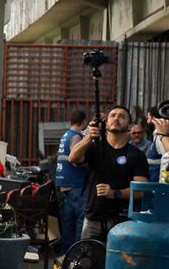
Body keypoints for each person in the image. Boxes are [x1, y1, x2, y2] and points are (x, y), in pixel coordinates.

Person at [69, 105, 149, 241]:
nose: (116, 118)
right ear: (106, 123)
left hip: (122, 221)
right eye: (112, 116)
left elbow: (141, 189)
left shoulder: (137, 155)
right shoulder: (94, 147)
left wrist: (115, 193)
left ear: (129, 126)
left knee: (118, 261)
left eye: (121, 116)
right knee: (88, 260)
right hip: (93, 219)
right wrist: (89, 137)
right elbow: (73, 158)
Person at [55, 108, 88, 259]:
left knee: (68, 221)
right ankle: (76, 255)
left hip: (65, 182)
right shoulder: (76, 137)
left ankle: (65, 254)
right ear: (84, 122)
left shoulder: (65, 135)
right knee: (80, 220)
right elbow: (76, 159)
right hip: (76, 183)